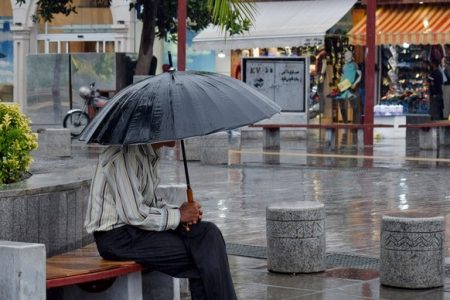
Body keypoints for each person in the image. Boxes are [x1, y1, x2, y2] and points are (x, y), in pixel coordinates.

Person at [85, 142, 237, 300]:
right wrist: (178, 216)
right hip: (118, 237)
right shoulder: (122, 155)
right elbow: (134, 214)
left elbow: (151, 204)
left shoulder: (147, 154)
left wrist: (183, 213)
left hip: (138, 230)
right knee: (201, 256)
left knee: (208, 233)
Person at [335, 50, 362, 123]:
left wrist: (355, 84)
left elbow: (360, 75)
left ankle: (356, 125)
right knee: (342, 106)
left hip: (351, 86)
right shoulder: (344, 66)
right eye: (345, 55)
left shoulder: (354, 65)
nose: (346, 56)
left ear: (350, 56)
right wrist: (339, 86)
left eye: (347, 55)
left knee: (355, 107)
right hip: (343, 86)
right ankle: (345, 122)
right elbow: (343, 76)